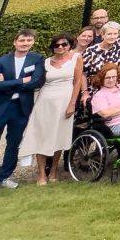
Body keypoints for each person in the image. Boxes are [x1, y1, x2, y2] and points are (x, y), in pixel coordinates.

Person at [0, 29, 46, 196]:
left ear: (33, 42)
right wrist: (21, 81)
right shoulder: (1, 61)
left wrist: (7, 82)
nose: (25, 43)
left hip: (20, 107)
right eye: (22, 40)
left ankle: (5, 176)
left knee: (13, 144)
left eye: (29, 40)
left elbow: (35, 82)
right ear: (15, 42)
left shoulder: (37, 59)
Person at [18, 34, 83, 185]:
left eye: (64, 44)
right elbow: (34, 79)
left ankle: (53, 171)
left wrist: (72, 103)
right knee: (42, 136)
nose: (60, 47)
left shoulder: (76, 58)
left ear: (69, 45)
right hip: (45, 101)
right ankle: (41, 174)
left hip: (65, 101)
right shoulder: (45, 61)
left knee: (59, 137)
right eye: (57, 45)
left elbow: (78, 81)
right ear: (52, 47)